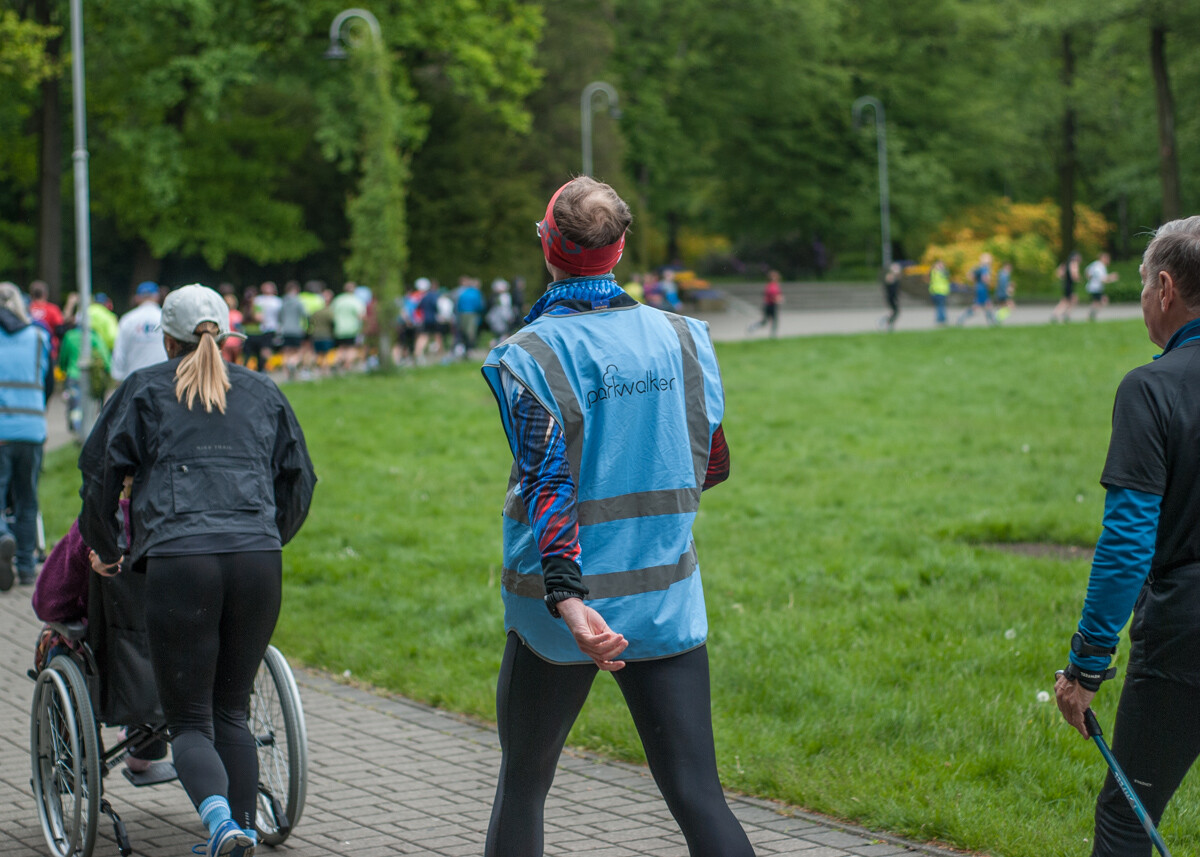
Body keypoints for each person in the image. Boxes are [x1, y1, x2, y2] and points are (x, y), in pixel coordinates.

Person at [480, 177, 753, 857]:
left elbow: (548, 484)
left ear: (549, 245)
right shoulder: (684, 337)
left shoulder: (530, 354)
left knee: (524, 784)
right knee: (699, 795)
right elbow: (712, 463)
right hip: (664, 597)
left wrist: (571, 603)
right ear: (620, 247)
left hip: (561, 613)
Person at [78, 283, 316, 857]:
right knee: (231, 710)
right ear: (228, 336)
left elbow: (100, 473)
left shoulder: (143, 389)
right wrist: (268, 536)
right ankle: (241, 829)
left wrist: (108, 547)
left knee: (189, 720)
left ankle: (221, 826)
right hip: (258, 559)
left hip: (181, 558)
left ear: (167, 340)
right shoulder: (262, 390)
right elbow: (300, 479)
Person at [1055, 216, 1200, 857]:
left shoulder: (1152, 388)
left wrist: (1087, 665)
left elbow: (1127, 542)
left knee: (1127, 817)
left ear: (1165, 288)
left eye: (1143, 286)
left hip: (1185, 631)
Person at [0, 282, 51, 590]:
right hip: (32, 430)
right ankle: (26, 567)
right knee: (27, 499)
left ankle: (2, 537)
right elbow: (48, 383)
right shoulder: (39, 337)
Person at [111, 281, 168, 382]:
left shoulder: (128, 319)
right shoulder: (165, 318)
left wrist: (117, 376)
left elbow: (119, 352)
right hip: (162, 378)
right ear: (157, 297)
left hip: (134, 380)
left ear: (137, 298)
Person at [331, 281, 366, 371]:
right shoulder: (356, 300)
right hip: (352, 329)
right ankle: (347, 366)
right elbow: (361, 315)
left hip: (339, 328)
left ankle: (337, 363)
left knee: (340, 348)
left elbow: (332, 313)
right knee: (351, 348)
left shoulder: (338, 300)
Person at [956, 252, 996, 326]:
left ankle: (993, 322)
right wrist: (988, 281)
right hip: (982, 289)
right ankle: (961, 318)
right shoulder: (984, 268)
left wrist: (975, 281)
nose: (990, 260)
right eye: (989, 258)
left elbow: (970, 275)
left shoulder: (979, 268)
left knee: (988, 305)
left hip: (980, 288)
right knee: (977, 307)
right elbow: (984, 278)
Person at [747, 270, 784, 337]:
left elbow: (778, 295)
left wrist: (779, 298)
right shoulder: (771, 286)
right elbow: (772, 295)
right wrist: (778, 299)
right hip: (769, 305)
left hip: (772, 305)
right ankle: (753, 327)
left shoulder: (775, 285)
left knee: (774, 320)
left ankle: (773, 335)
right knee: (766, 321)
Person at [1086, 252, 1119, 322]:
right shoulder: (1100, 267)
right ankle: (1090, 316)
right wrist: (1112, 277)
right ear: (1103, 258)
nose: (1108, 261)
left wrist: (1090, 278)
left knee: (1097, 302)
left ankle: (1091, 317)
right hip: (1095, 288)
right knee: (1101, 301)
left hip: (1095, 287)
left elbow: (1087, 271)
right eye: (1107, 259)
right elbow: (1103, 279)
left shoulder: (1095, 264)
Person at [1051, 251, 1083, 323]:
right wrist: (1079, 278)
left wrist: (1064, 276)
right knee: (1066, 301)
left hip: (1066, 284)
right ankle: (1058, 314)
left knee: (1071, 300)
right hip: (1069, 285)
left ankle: (1062, 314)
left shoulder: (1065, 264)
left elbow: (1058, 273)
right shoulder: (1074, 263)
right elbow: (1074, 275)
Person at [878, 262, 902, 331]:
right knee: (895, 312)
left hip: (893, 298)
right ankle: (887, 322)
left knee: (895, 312)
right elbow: (890, 285)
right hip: (891, 298)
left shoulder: (895, 278)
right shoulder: (890, 277)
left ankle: (889, 323)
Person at [928, 259, 951, 326]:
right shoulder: (934, 272)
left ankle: (941, 319)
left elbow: (946, 275)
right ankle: (941, 319)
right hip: (935, 291)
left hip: (941, 291)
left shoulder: (943, 272)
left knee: (940, 306)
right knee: (939, 306)